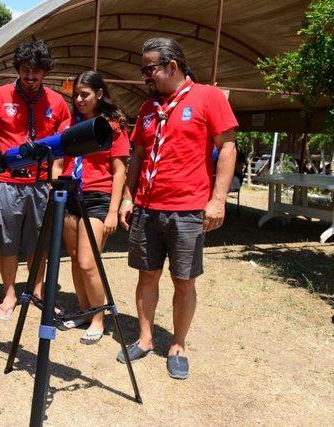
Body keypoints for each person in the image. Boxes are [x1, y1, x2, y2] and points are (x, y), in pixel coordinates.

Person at [116, 37, 237, 380]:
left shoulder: (208, 97)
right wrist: (128, 197)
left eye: (148, 69)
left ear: (172, 66)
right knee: (147, 275)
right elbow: (137, 154)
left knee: (183, 280)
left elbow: (227, 148)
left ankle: (178, 345)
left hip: (187, 209)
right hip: (147, 208)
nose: (145, 77)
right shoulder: (148, 108)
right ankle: (144, 338)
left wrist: (217, 200)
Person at [0, 40, 71, 321]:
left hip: (41, 184)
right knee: (7, 241)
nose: (30, 77)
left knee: (39, 243)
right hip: (6, 182)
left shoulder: (57, 102)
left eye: (36, 71)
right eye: (25, 70)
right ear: (17, 69)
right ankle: (9, 292)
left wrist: (55, 175)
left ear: (45, 71)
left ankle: (37, 290)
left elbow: (64, 143)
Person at [52, 71, 129, 344]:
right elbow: (58, 158)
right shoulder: (70, 125)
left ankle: (99, 317)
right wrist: (55, 178)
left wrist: (113, 211)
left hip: (98, 197)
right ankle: (86, 311)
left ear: (99, 93)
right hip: (71, 194)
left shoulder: (113, 126)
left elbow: (120, 171)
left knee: (87, 262)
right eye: (75, 95)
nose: (79, 99)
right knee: (74, 258)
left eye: (84, 94)